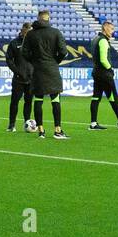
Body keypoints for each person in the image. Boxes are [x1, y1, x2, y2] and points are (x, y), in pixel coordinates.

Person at [23, 9, 69, 139]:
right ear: (48, 18)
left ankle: (41, 131)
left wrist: (34, 61)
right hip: (52, 69)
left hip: (37, 70)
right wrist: (56, 61)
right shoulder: (55, 32)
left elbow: (24, 53)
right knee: (55, 100)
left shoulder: (31, 34)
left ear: (38, 19)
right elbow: (63, 51)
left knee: (38, 100)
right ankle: (57, 130)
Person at [88, 20, 118, 130]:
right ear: (105, 28)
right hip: (104, 73)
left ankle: (93, 123)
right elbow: (103, 59)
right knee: (113, 96)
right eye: (111, 29)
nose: (113, 31)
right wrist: (110, 69)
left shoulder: (95, 39)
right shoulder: (103, 41)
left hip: (96, 72)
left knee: (96, 97)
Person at [5, 22, 35, 132]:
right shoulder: (14, 43)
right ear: (22, 30)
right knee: (15, 101)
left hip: (31, 78)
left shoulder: (34, 44)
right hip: (18, 78)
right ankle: (11, 124)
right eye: (26, 31)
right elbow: (9, 59)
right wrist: (16, 71)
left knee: (28, 102)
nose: (28, 34)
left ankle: (27, 122)